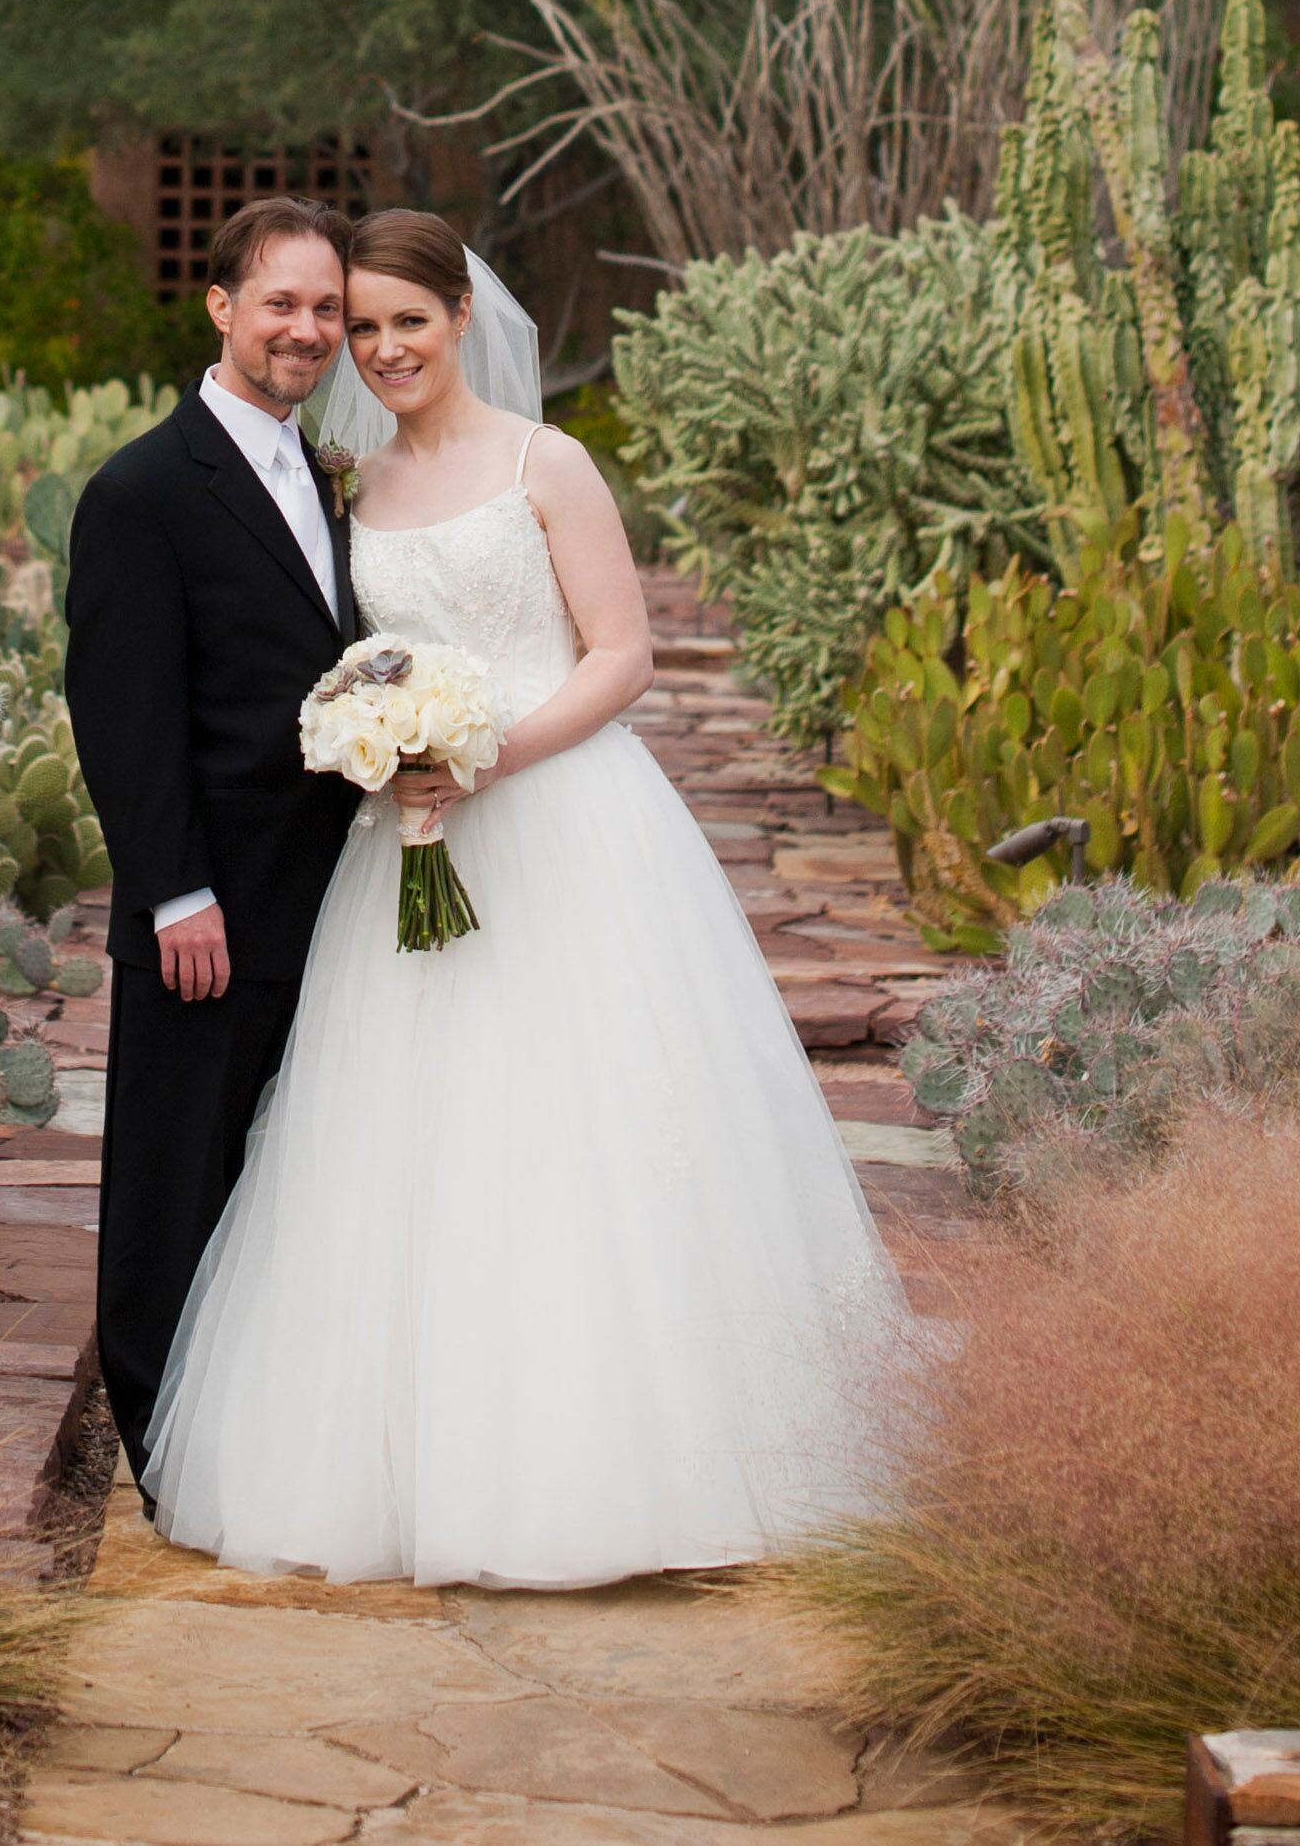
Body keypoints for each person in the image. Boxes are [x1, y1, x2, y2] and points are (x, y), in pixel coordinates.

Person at [143, 207, 898, 1589]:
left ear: (459, 316)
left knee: (588, 1130)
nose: (377, 349)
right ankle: (409, 1461)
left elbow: (622, 655)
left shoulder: (547, 462)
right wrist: (392, 752)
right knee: (406, 1142)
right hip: (409, 846)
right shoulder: (349, 485)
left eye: (401, 321)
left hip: (562, 824)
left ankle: (622, 1459)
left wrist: (486, 756)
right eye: (358, 328)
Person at [62, 195, 359, 1489]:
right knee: (173, 1175)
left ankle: (262, 1425)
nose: (304, 328)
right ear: (220, 307)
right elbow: (122, 712)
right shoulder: (140, 488)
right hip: (210, 904)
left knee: (279, 1168)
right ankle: (161, 1442)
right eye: (280, 301)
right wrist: (173, 889)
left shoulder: (322, 468)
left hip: (323, 890)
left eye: (326, 308)